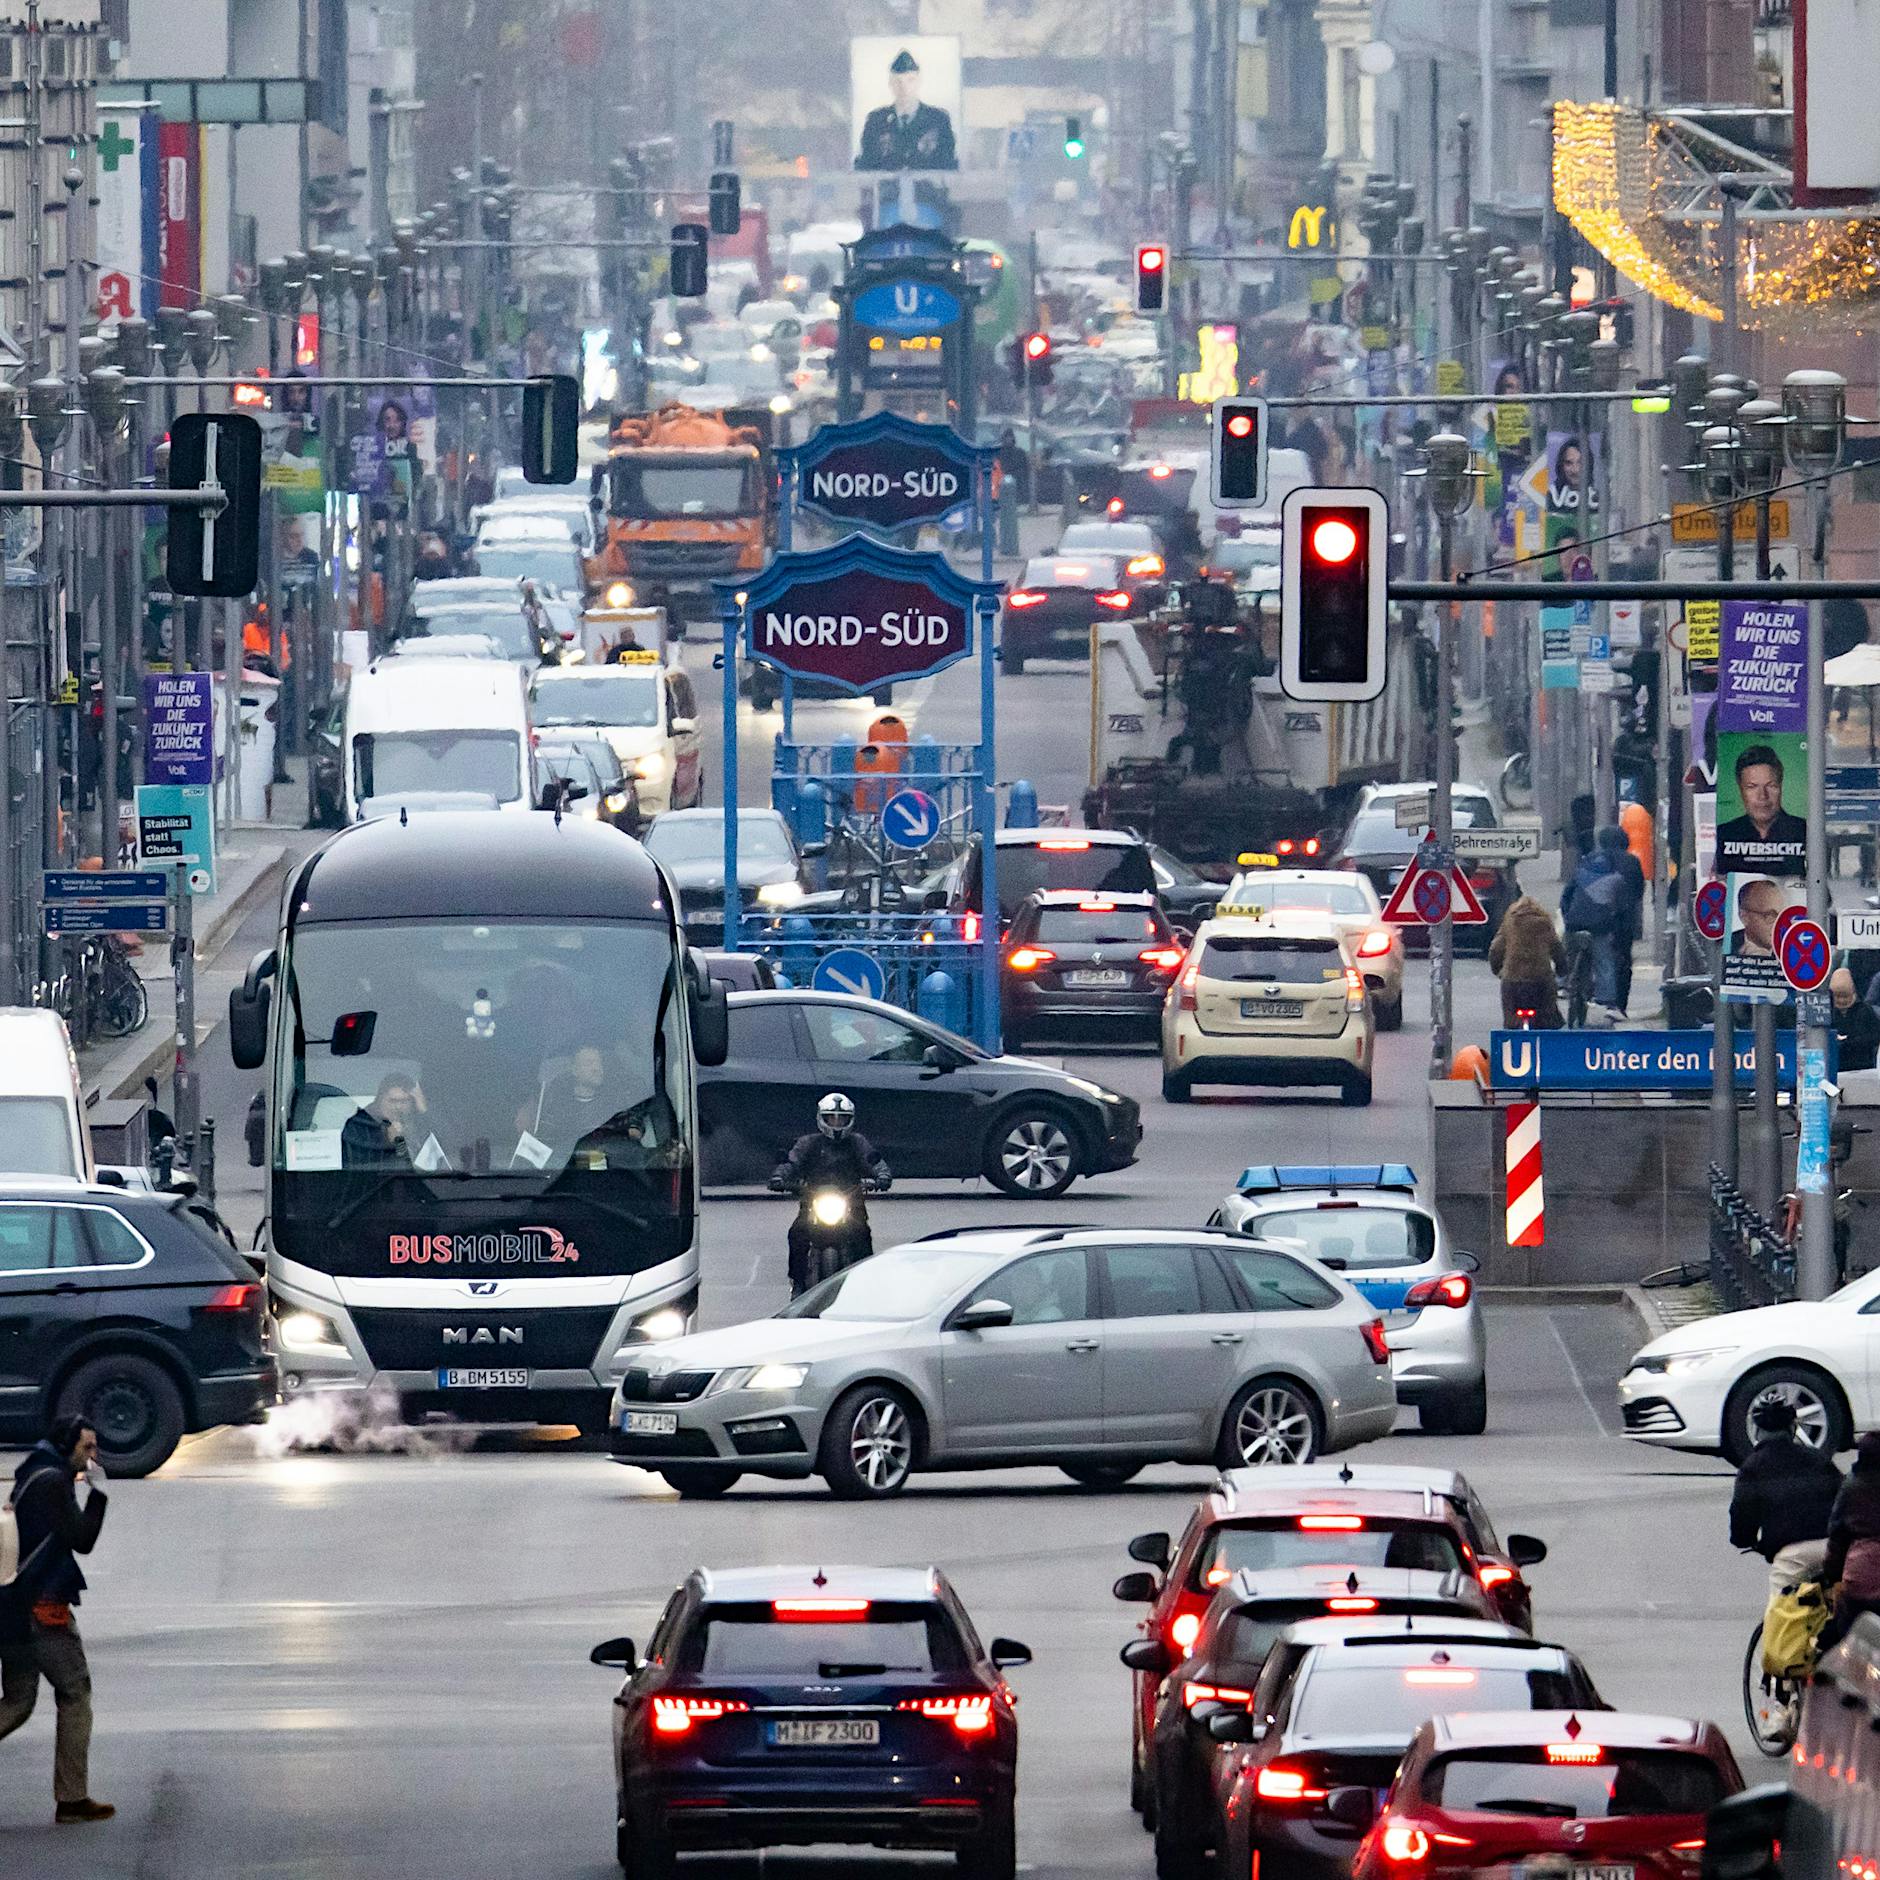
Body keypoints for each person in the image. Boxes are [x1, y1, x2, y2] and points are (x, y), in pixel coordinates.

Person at [0, 1416, 113, 1823]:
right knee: (75, 1692)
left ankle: (73, 1797)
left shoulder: (33, 1473)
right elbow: (82, 1539)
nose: (93, 1456)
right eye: (87, 1448)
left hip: (13, 1607)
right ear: (67, 1446)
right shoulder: (52, 1483)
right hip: (43, 1607)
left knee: (17, 1702)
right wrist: (98, 1494)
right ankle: (72, 1798)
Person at [770, 1093, 892, 1294]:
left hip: (851, 1203)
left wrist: (882, 1175)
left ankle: (865, 1284)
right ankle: (798, 1283)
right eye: (831, 1118)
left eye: (841, 1119)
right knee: (797, 1234)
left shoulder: (857, 1142)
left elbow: (873, 1160)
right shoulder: (808, 1143)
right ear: (821, 1118)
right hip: (812, 1202)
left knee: (862, 1235)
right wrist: (779, 1177)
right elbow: (791, 1162)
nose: (836, 1123)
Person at [1732, 1397, 1843, 1606]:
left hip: (1794, 1556)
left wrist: (1743, 1539)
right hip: (1833, 1547)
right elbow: (1844, 1499)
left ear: (1757, 1431)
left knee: (1781, 1613)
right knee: (1843, 1605)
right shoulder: (1818, 1459)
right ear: (1792, 1427)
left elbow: (1742, 1514)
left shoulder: (1752, 1468)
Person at [1819, 1432, 1880, 1655]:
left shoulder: (1852, 1486)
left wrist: (1831, 1575)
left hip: (1861, 1576)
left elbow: (1838, 1535)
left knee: (1844, 1633)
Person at [855, 47, 957, 171]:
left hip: (926, 184)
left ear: (919, 82)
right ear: (890, 84)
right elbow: (865, 167)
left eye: (910, 80)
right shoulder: (876, 120)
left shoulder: (938, 119)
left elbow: (949, 165)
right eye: (898, 81)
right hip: (887, 184)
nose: (904, 87)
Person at [1717, 742, 1808, 877]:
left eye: (1771, 785)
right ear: (1740, 789)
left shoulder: (1806, 832)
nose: (1762, 796)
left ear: (1781, 786)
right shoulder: (1722, 835)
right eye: (1752, 787)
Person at [1562, 840, 1627, 1016]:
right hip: (1600, 926)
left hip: (1574, 923)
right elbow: (1622, 907)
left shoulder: (1579, 873)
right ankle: (1607, 1000)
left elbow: (1565, 897)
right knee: (1604, 961)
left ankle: (1561, 982)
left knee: (1567, 952)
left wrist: (1567, 917)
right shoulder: (1616, 879)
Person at [1487, 892, 1566, 1028]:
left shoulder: (1511, 921)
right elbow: (1556, 948)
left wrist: (1497, 970)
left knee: (1511, 1017)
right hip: (1541, 980)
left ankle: (1511, 1034)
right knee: (1548, 1019)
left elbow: (1495, 949)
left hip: (1513, 980)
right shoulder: (1544, 922)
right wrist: (1562, 968)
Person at [1598, 824, 1646, 1015]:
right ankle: (1619, 1004)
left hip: (1595, 918)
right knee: (1623, 960)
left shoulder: (1594, 859)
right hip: (1623, 919)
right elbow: (1639, 890)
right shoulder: (1632, 861)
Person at [342, 1071, 425, 1167]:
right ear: (379, 1100)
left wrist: (424, 1111)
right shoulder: (359, 1126)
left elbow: (437, 1151)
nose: (398, 1107)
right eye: (393, 1101)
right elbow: (360, 1167)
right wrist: (392, 1143)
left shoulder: (420, 1123)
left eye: (404, 1101)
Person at [1832, 967, 1880, 1073]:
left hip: (1862, 1067)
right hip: (1838, 1066)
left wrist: (1848, 1041)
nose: (1842, 1001)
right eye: (1838, 997)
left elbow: (1874, 1037)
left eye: (1845, 997)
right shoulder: (1830, 1012)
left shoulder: (1865, 1011)